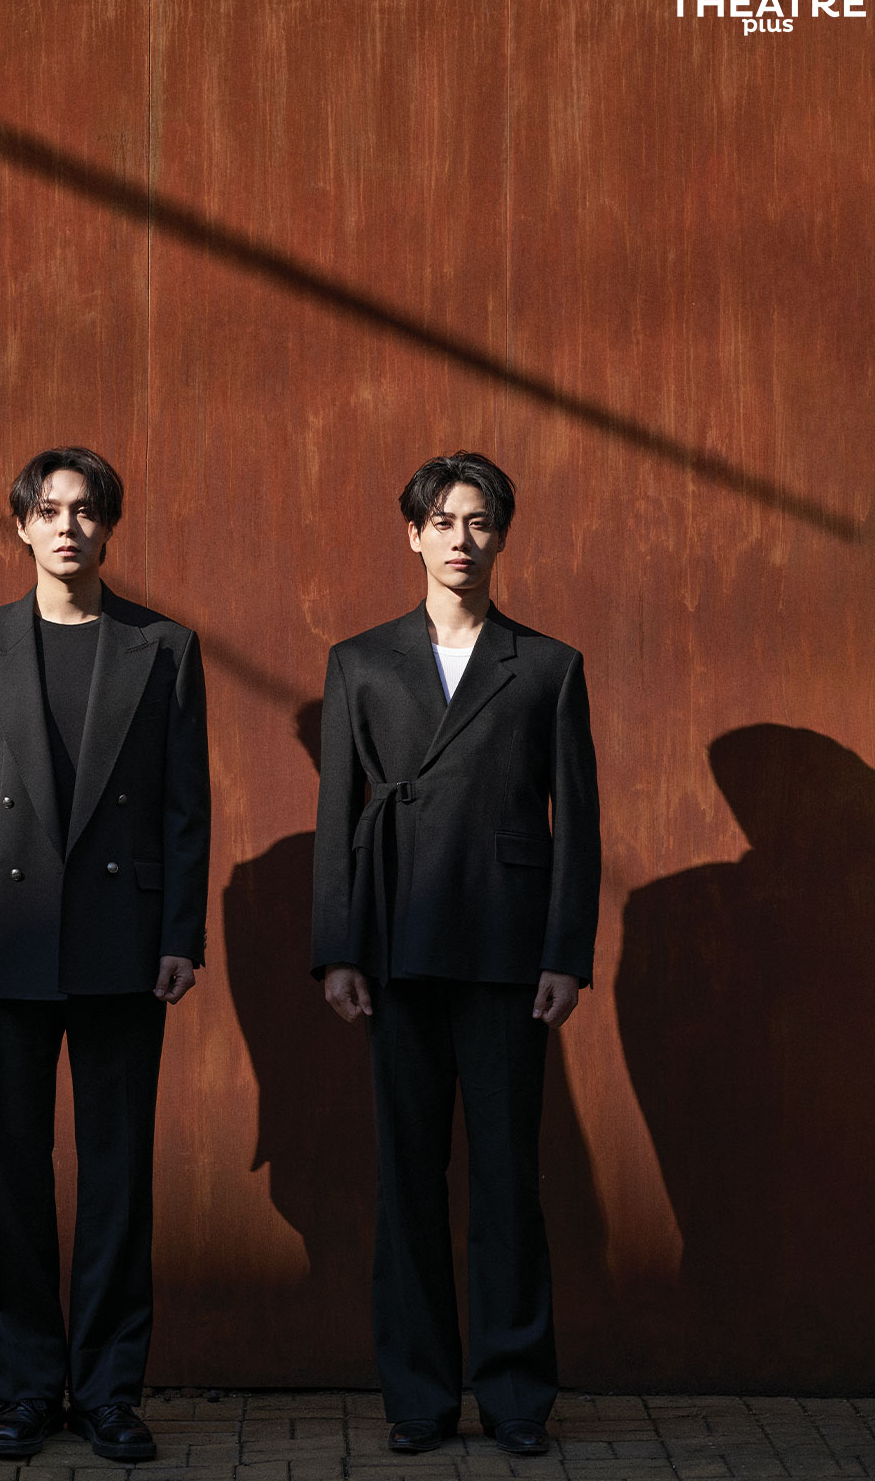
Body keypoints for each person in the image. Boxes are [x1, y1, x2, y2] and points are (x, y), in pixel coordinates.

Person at [311, 451, 599, 1459]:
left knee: (509, 1180)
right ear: (413, 536)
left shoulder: (548, 665)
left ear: (502, 536)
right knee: (408, 1180)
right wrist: (337, 950)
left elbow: (578, 824)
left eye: (478, 522)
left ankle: (516, 1396)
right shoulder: (359, 661)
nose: (460, 540)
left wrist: (566, 954)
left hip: (509, 949)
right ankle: (420, 1398)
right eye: (442, 522)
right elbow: (337, 815)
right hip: (396, 942)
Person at [0, 446, 210, 1462]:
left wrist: (180, 936)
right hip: (6, 939)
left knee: (117, 1178)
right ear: (20, 525)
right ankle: (22, 1390)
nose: (68, 527)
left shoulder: (163, 648)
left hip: (122, 943)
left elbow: (185, 808)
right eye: (48, 511)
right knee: (10, 1177)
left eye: (86, 510)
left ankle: (108, 1393)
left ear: (108, 526)